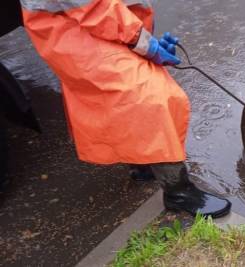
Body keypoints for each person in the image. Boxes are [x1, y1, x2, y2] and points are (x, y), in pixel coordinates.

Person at [20, 0, 231, 218]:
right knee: (149, 98)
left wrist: (141, 36)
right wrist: (144, 43)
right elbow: (95, 8)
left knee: (123, 100)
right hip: (74, 32)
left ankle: (142, 162)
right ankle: (179, 192)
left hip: (100, 22)